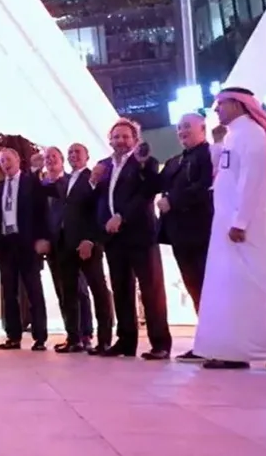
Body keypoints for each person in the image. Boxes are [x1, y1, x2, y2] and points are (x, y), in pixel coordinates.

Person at [194, 87, 266, 373]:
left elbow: (254, 180)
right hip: (228, 223)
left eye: (221, 104)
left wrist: (240, 221)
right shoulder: (233, 135)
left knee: (257, 284)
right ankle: (233, 351)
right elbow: (225, 174)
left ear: (238, 104)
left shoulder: (252, 133)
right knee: (230, 286)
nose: (216, 110)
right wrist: (217, 144)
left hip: (246, 225)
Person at [90, 119, 172, 360]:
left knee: (151, 289)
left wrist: (121, 216)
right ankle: (125, 341)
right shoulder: (104, 166)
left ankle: (160, 343)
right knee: (121, 289)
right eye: (116, 137)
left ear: (136, 140)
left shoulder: (145, 162)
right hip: (113, 237)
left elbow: (147, 192)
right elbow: (97, 200)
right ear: (110, 140)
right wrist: (93, 182)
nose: (121, 141)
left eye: (126, 136)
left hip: (140, 234)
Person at [42, 143, 113, 354]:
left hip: (86, 244)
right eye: (70, 152)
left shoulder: (93, 178)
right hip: (65, 244)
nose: (73, 155)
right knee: (69, 293)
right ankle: (74, 338)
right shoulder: (65, 181)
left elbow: (98, 211)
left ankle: (104, 340)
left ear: (87, 156)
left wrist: (90, 240)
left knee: (98, 291)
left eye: (77, 152)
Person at [158, 113, 214, 362]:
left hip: (201, 232)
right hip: (179, 235)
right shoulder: (175, 160)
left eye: (187, 127)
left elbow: (204, 187)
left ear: (202, 128)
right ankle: (206, 342)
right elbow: (156, 183)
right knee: (194, 288)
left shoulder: (209, 155)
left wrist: (173, 200)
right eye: (179, 127)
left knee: (207, 288)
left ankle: (215, 342)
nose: (182, 131)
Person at [0, 147, 50, 351]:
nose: (5, 164)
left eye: (8, 159)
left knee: (34, 290)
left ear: (17, 161)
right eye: (2, 161)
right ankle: (13, 336)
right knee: (9, 292)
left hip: (28, 244)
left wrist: (42, 238)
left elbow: (41, 211)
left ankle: (40, 337)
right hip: (6, 244)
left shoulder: (31, 183)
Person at [40, 146, 94, 352]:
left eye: (54, 156)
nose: (50, 160)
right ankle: (72, 334)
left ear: (62, 160)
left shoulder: (72, 181)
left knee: (80, 290)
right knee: (63, 291)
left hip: (73, 242)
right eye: (47, 157)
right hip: (53, 244)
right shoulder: (42, 185)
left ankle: (86, 333)